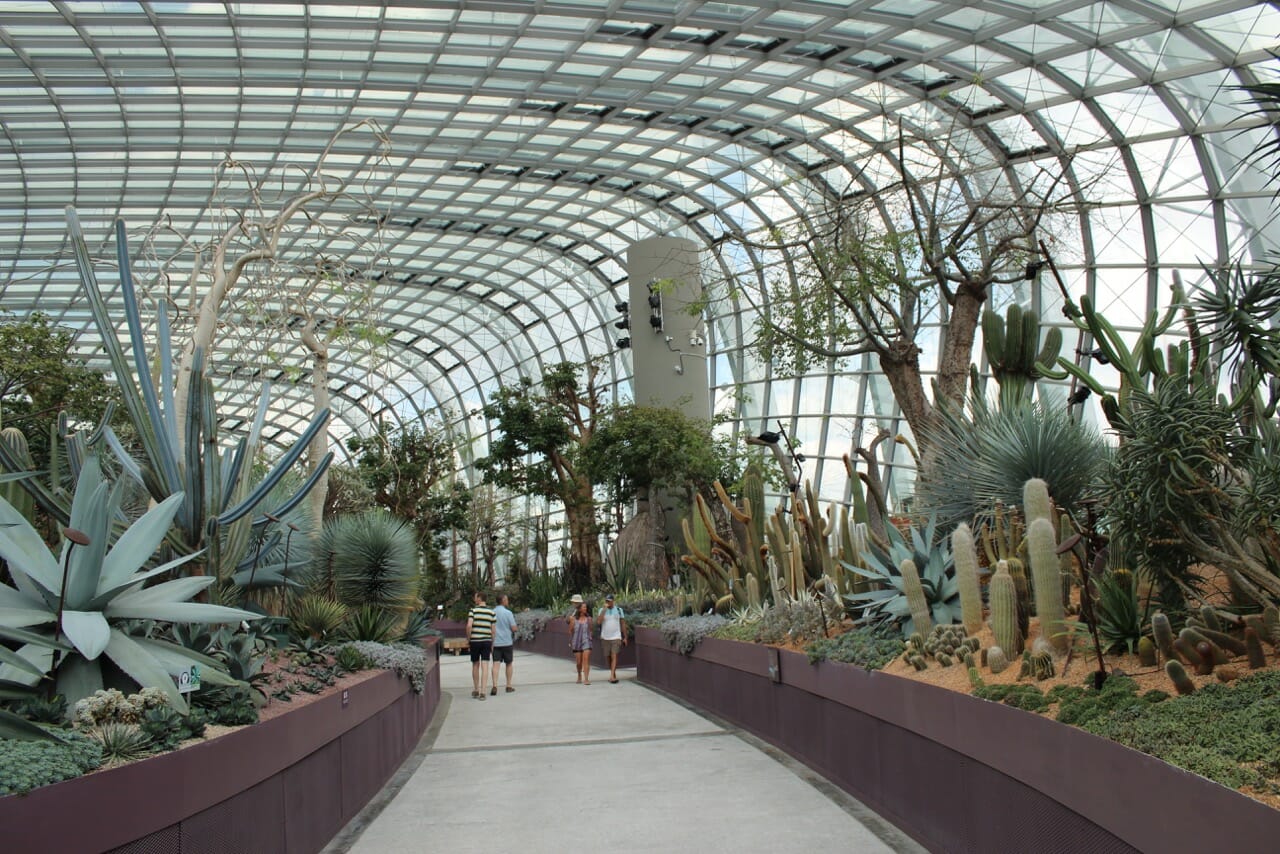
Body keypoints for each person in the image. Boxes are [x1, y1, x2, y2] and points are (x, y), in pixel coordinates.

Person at [466, 591, 496, 700]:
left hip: (475, 641)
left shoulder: (473, 611)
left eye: (475, 597)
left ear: (479, 598)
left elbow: (469, 626)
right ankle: (483, 692)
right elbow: (493, 630)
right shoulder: (491, 612)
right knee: (485, 665)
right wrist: (492, 642)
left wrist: (469, 638)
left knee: (475, 665)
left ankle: (476, 689)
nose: (474, 599)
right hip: (487, 641)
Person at [596, 593, 627, 683]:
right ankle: (613, 673)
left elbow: (623, 623)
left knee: (614, 655)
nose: (608, 602)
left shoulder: (619, 610)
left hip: (616, 636)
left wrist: (625, 637)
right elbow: (599, 622)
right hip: (605, 637)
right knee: (608, 657)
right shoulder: (602, 610)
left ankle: (612, 676)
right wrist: (604, 610)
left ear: (613, 601)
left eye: (609, 601)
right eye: (606, 601)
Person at [490, 593, 518, 695]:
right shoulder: (508, 613)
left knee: (496, 664)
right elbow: (514, 628)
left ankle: (494, 685)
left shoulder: (492, 612)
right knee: (509, 663)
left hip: (496, 642)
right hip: (507, 642)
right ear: (503, 601)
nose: (508, 601)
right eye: (506, 599)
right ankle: (508, 685)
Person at [567, 599, 593, 684]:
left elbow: (591, 629)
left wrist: (590, 638)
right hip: (576, 642)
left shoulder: (589, 619)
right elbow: (570, 631)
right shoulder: (573, 619)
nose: (585, 608)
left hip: (586, 641)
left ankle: (586, 679)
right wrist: (570, 641)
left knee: (586, 660)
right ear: (579, 609)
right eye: (584, 607)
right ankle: (579, 675)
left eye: (586, 607)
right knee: (579, 662)